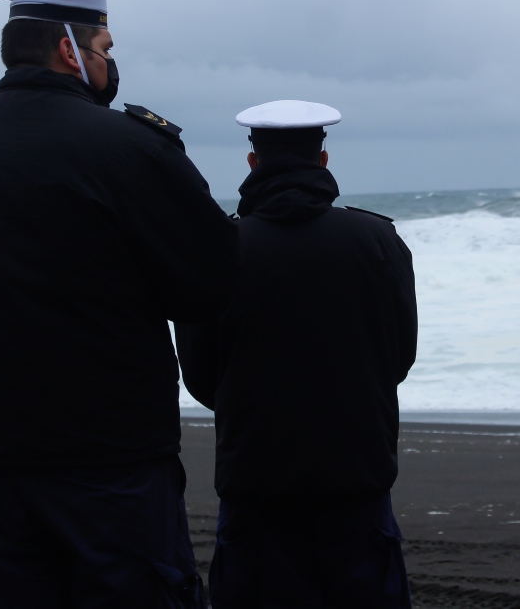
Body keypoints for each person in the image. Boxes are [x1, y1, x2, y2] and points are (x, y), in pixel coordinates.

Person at [0, 0, 238, 608]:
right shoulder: (132, 146)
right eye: (105, 48)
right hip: (110, 453)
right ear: (68, 49)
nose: (112, 62)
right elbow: (212, 283)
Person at [175, 100, 418, 608]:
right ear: (323, 161)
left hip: (256, 484)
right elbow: (399, 357)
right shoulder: (377, 239)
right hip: (357, 478)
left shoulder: (219, 247)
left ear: (252, 163)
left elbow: (199, 377)